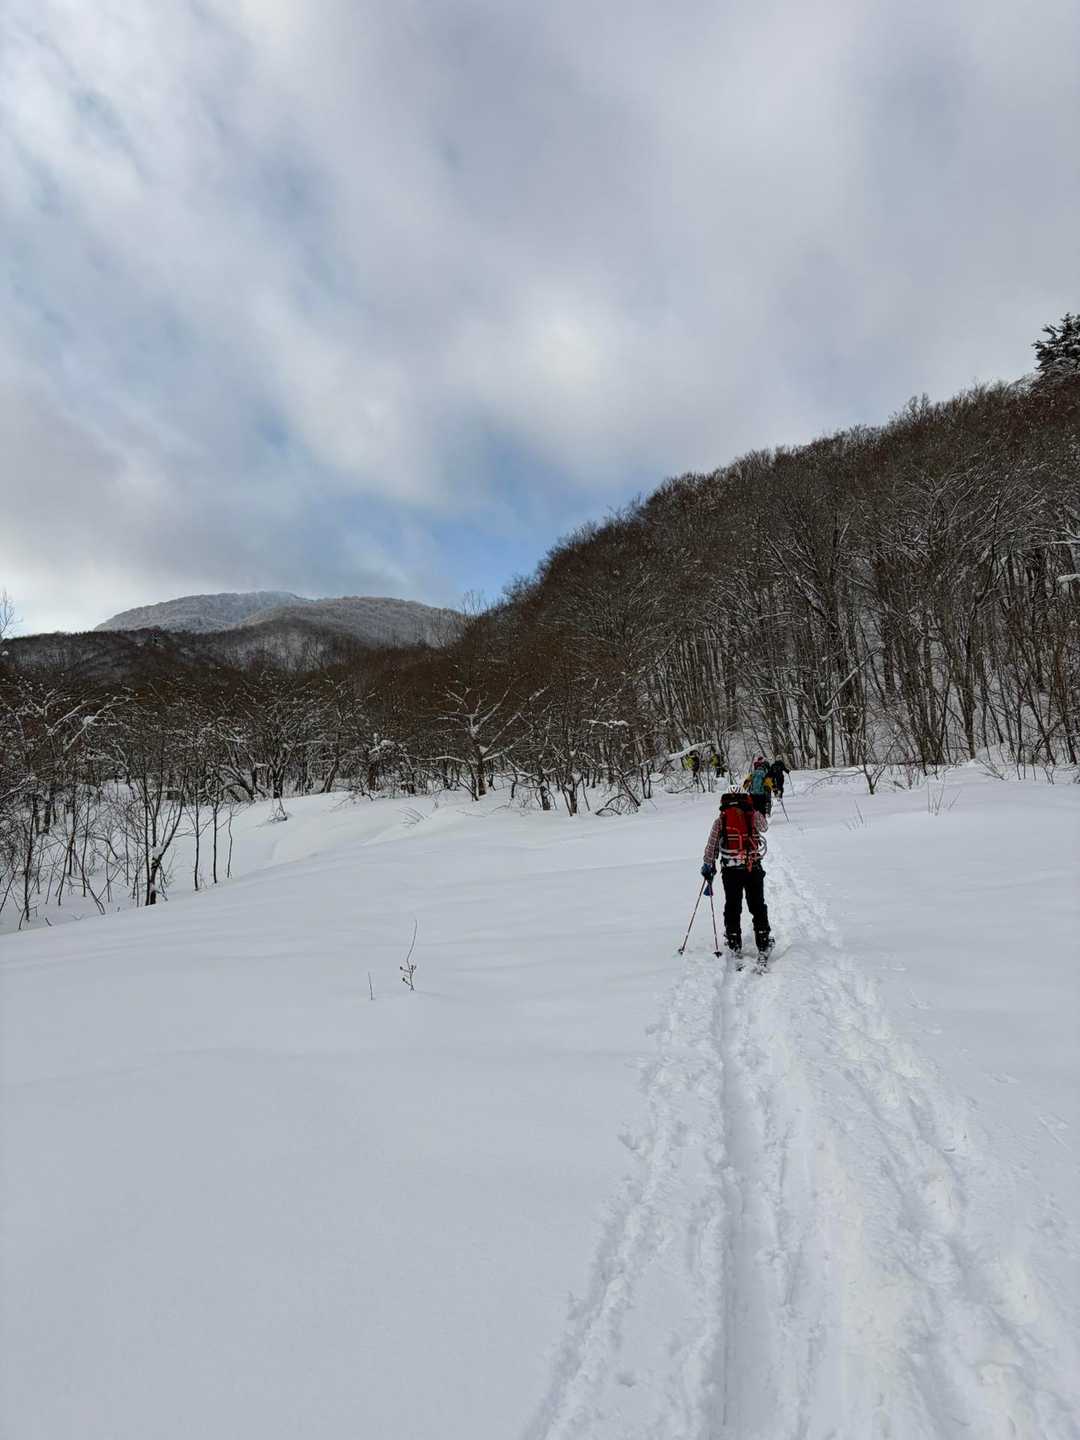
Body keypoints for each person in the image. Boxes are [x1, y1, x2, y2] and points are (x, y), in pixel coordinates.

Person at [701, 791, 772, 960]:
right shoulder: (752, 815)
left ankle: (733, 941)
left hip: (731, 869)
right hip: (752, 866)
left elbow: (712, 846)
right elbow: (764, 827)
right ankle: (763, 941)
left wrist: (708, 864)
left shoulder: (721, 820)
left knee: (732, 905)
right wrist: (755, 811)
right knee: (757, 905)